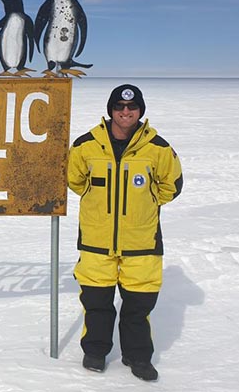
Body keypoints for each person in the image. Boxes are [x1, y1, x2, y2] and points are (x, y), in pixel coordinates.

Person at [67, 84, 183, 382]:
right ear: (111, 111)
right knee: (96, 303)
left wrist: (147, 201)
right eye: (119, 107)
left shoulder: (158, 147)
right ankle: (95, 351)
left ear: (140, 111)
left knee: (138, 306)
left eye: (132, 107)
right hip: (95, 241)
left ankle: (137, 356)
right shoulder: (86, 145)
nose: (126, 112)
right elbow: (75, 180)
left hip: (141, 242)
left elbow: (172, 185)